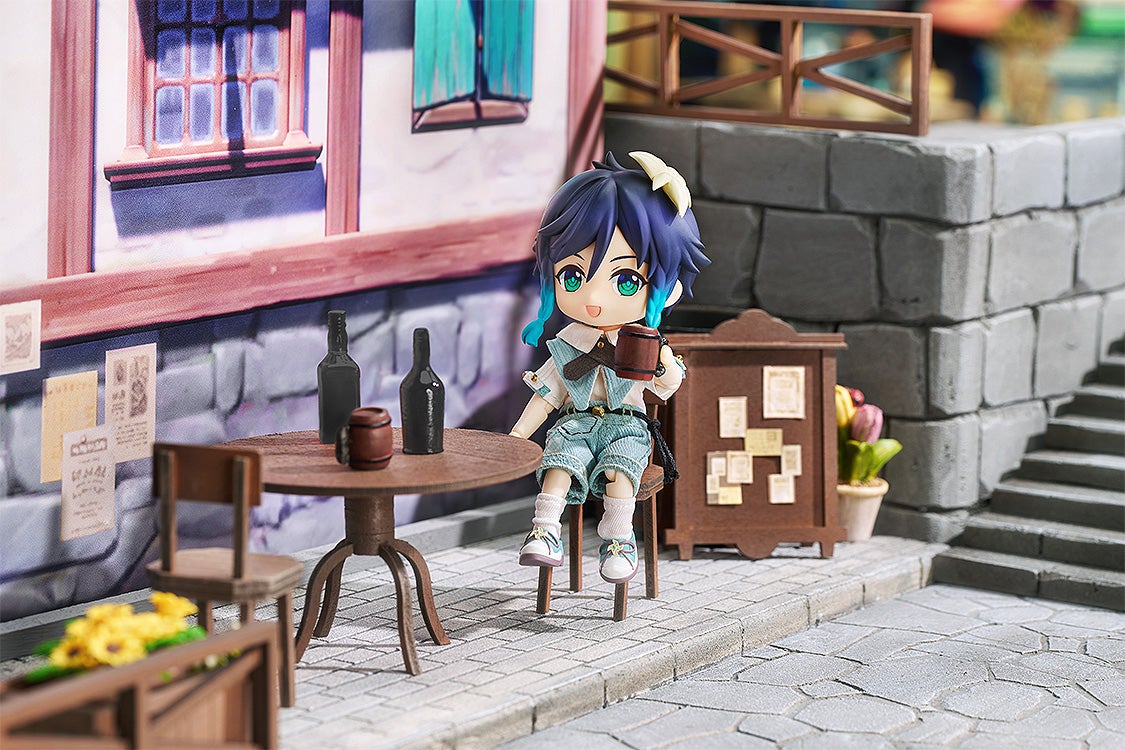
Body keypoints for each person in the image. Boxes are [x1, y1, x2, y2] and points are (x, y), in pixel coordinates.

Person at [510, 151, 709, 584]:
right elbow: (546, 397)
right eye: (572, 276)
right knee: (559, 464)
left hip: (627, 426)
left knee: (620, 470)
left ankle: (618, 540)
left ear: (666, 286)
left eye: (626, 280)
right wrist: (518, 437)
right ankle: (544, 532)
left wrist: (662, 359)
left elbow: (668, 385)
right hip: (574, 424)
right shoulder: (567, 345)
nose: (594, 300)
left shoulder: (644, 343)